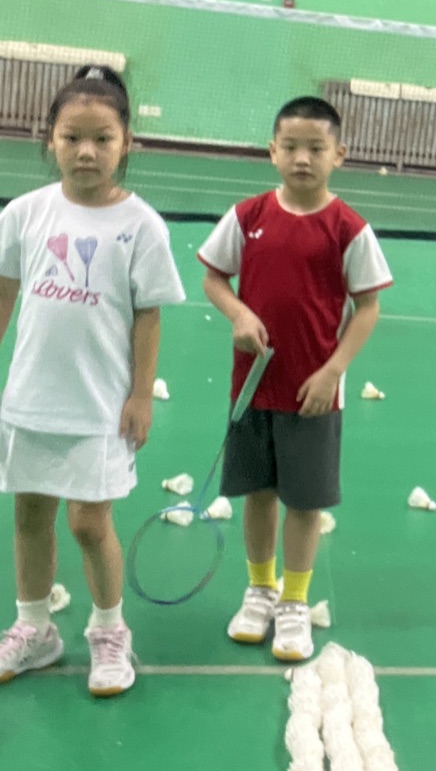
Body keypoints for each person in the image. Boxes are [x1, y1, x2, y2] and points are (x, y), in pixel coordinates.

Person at [0, 66, 185, 695]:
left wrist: (140, 395)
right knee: (30, 514)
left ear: (127, 142)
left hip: (100, 404)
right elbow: (4, 294)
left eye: (102, 139)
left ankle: (110, 631)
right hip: (30, 399)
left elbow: (148, 315)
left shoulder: (142, 225)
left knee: (89, 523)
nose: (86, 151)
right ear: (49, 139)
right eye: (72, 137)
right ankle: (35, 629)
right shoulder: (25, 213)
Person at [199, 95, 391, 663]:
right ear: (272, 151)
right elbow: (213, 278)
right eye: (290, 147)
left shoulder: (348, 229)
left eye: (315, 148)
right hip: (253, 386)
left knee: (304, 503)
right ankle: (260, 590)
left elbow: (368, 308)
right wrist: (238, 314)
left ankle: (294, 601)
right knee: (258, 493)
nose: (302, 158)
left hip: (313, 395)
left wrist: (333, 372)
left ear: (339, 155)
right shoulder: (248, 217)